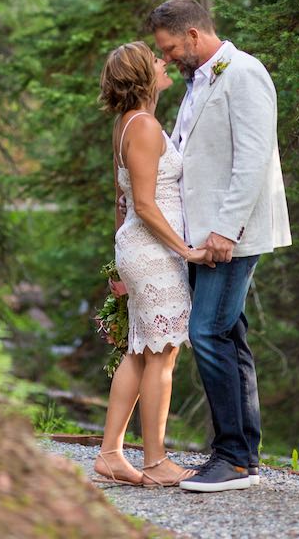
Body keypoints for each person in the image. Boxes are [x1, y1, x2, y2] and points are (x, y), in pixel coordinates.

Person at [147, 0, 292, 493]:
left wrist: (225, 230)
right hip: (201, 233)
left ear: (193, 35)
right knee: (228, 334)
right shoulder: (198, 83)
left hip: (228, 235)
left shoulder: (244, 74)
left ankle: (231, 458)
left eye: (168, 49)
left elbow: (252, 160)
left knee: (206, 332)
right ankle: (243, 457)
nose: (165, 59)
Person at [94, 41, 214, 488]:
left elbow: (121, 200)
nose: (165, 63)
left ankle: (110, 455)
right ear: (144, 75)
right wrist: (185, 250)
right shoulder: (142, 126)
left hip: (140, 251)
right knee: (161, 355)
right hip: (154, 251)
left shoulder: (129, 124)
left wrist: (117, 266)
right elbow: (142, 203)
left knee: (141, 351)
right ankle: (156, 460)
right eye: (156, 59)